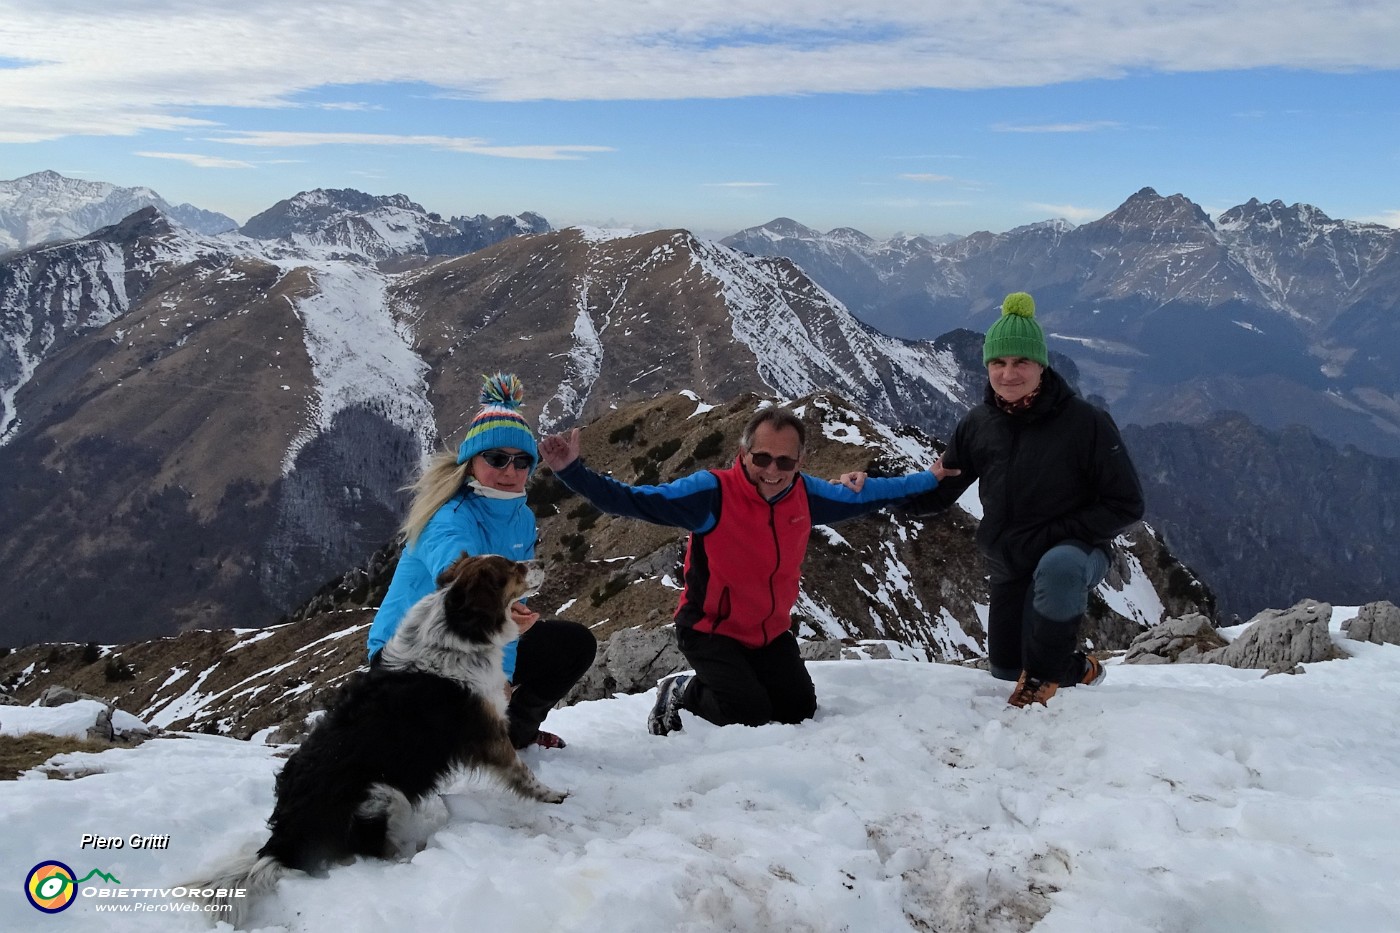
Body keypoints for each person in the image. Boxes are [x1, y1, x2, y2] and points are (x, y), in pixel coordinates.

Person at [539, 404, 956, 736]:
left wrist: (927, 478)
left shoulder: (806, 495)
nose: (773, 471)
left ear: (800, 460)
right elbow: (631, 500)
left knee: (798, 711)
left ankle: (733, 682)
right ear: (743, 453)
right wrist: (572, 471)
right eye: (761, 458)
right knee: (748, 715)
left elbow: (869, 496)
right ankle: (682, 691)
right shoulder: (711, 493)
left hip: (769, 632)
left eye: (785, 462)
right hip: (709, 630)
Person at [890, 292, 1145, 707]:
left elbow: (1127, 504)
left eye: (1020, 362)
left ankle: (1041, 682)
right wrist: (879, 490)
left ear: (1041, 365)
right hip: (1010, 560)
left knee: (1059, 566)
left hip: (1077, 553)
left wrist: (1053, 536)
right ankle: (1077, 668)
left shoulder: (1086, 423)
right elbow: (939, 494)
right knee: (1006, 667)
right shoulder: (978, 425)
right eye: (998, 362)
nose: (1008, 374)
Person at [366, 373, 597, 748]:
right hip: (407, 655)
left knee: (573, 645)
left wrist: (501, 679)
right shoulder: (447, 516)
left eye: (522, 461)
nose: (510, 470)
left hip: (474, 643)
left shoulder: (520, 518)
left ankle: (514, 732)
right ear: (471, 461)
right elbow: (459, 578)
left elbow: (505, 608)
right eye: (496, 458)